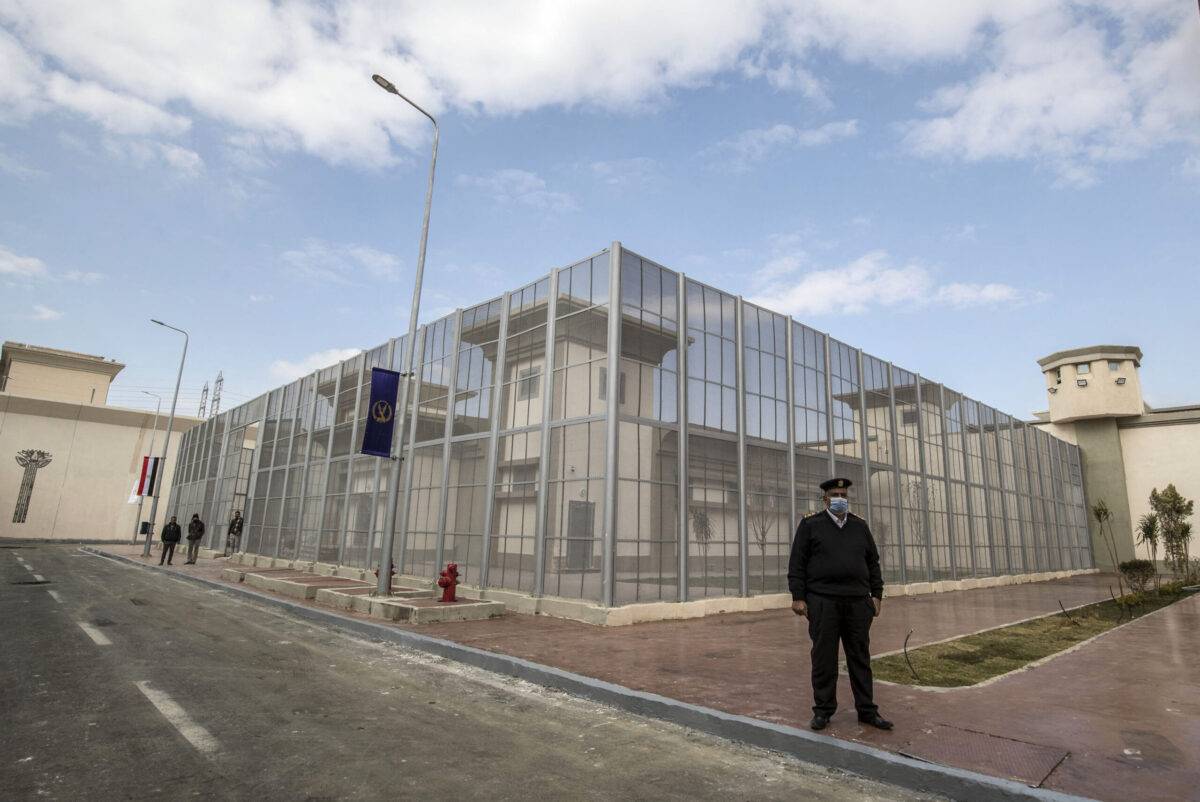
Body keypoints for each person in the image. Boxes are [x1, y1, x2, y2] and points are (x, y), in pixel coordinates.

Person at [787, 477, 892, 732]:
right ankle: (823, 711)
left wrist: (876, 595)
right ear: (825, 499)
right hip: (824, 602)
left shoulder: (859, 526)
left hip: (857, 603)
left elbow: (872, 563)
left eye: (844, 495)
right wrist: (798, 597)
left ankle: (867, 710)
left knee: (860, 657)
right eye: (835, 494)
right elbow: (797, 563)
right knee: (824, 658)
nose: (840, 499)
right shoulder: (811, 525)